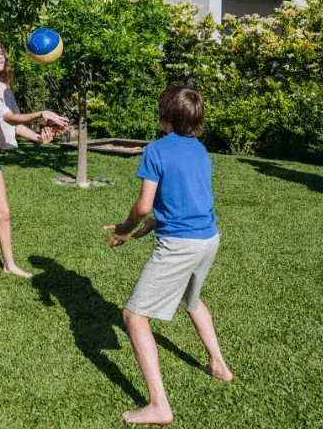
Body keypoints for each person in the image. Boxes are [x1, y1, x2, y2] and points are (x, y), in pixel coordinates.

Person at [105, 86, 232, 426]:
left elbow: (144, 205)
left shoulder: (155, 151)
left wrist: (125, 228)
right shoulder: (200, 151)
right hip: (208, 238)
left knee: (133, 315)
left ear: (164, 117)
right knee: (192, 300)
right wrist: (154, 226)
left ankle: (159, 405)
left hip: (180, 245)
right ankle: (218, 364)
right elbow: (188, 198)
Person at [0, 39, 69, 298]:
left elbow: (14, 124)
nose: (0, 56)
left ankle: (9, 264)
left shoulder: (4, 88)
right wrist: (42, 113)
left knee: (4, 214)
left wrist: (39, 138)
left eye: (1, 53)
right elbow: (6, 117)